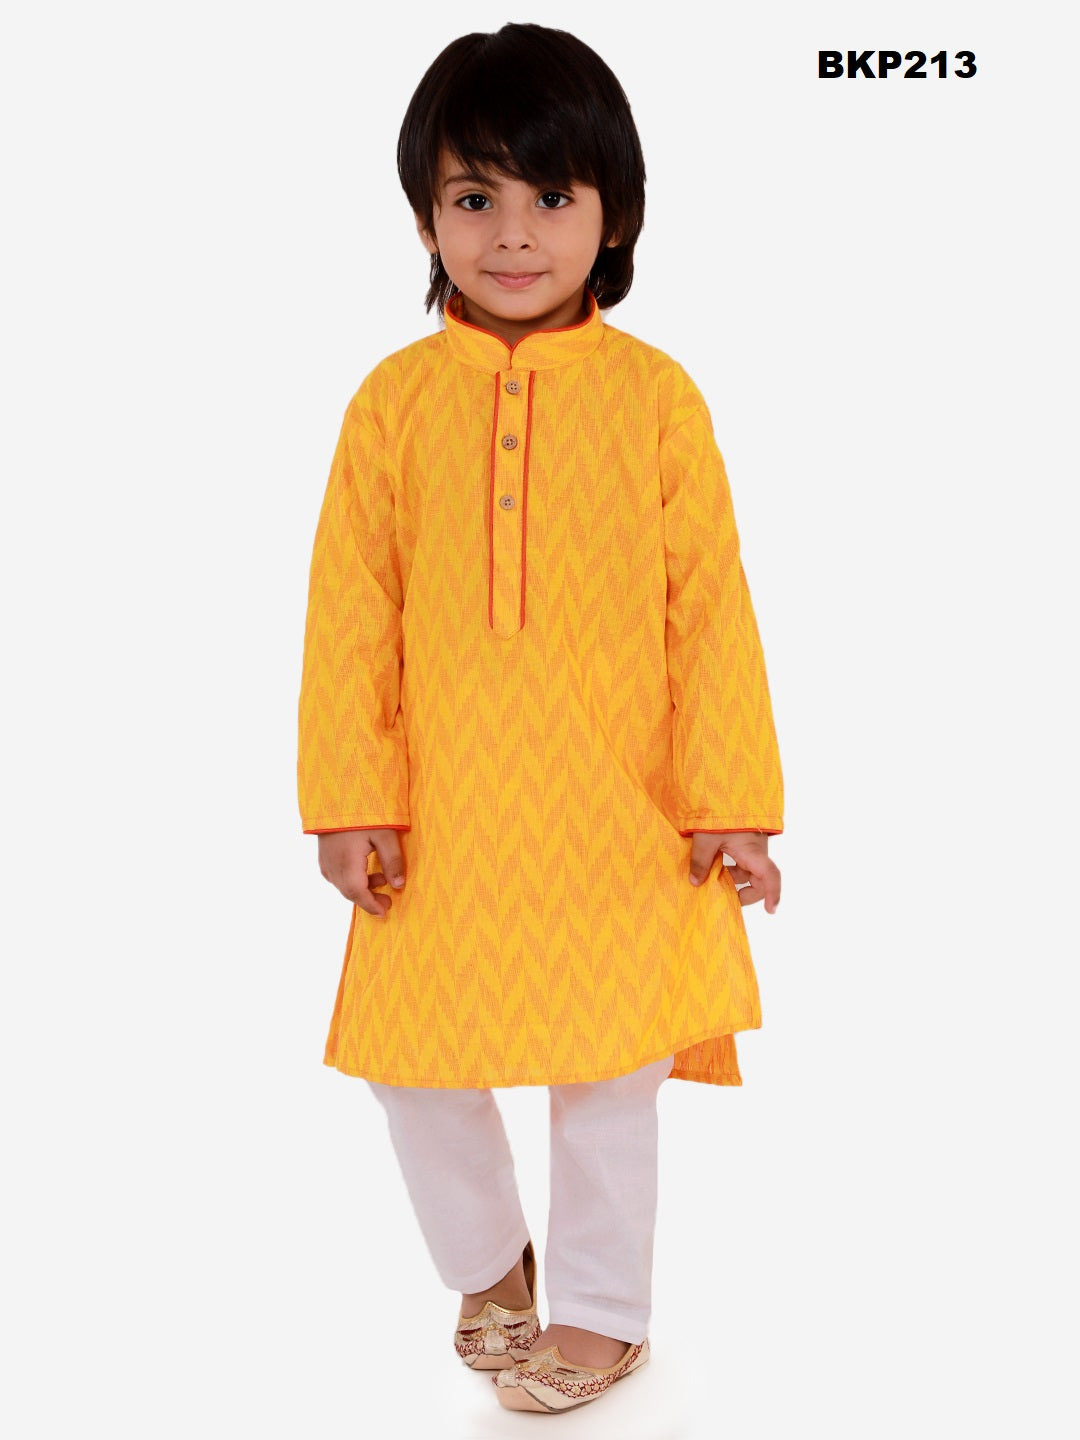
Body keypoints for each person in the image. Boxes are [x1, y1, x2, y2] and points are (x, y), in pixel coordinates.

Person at [296, 22, 784, 1415]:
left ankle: (604, 1318)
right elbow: (350, 614)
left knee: (609, 1075)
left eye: (552, 195)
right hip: (443, 812)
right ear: (425, 217)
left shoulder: (657, 399)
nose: (513, 233)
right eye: (475, 196)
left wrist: (732, 805)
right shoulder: (393, 405)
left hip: (621, 811)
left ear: (614, 214)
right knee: (410, 1063)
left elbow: (710, 609)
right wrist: (350, 799)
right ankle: (488, 1265)